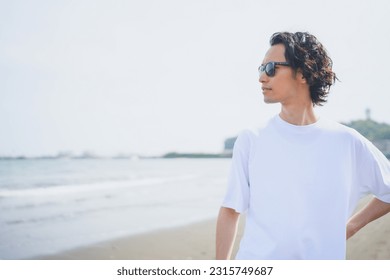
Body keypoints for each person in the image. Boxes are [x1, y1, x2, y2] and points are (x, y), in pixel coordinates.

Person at [216, 31, 390, 260]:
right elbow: (230, 210)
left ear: (303, 73)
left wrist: (349, 227)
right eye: (260, 69)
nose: (262, 77)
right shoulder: (252, 139)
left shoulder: (347, 141)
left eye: (271, 68)